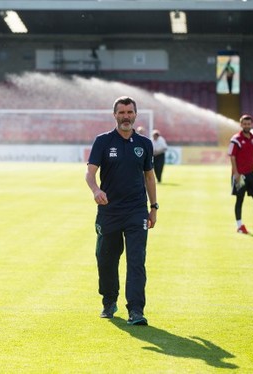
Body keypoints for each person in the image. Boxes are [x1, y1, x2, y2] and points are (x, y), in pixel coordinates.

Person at [85, 96, 157, 326]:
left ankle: (136, 310)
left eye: (129, 112)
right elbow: (90, 173)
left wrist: (153, 207)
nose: (126, 116)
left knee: (136, 261)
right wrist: (96, 190)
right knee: (106, 259)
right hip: (109, 211)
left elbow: (149, 177)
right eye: (122, 112)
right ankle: (109, 300)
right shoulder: (103, 141)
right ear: (114, 115)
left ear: (136, 115)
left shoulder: (144, 144)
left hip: (137, 211)